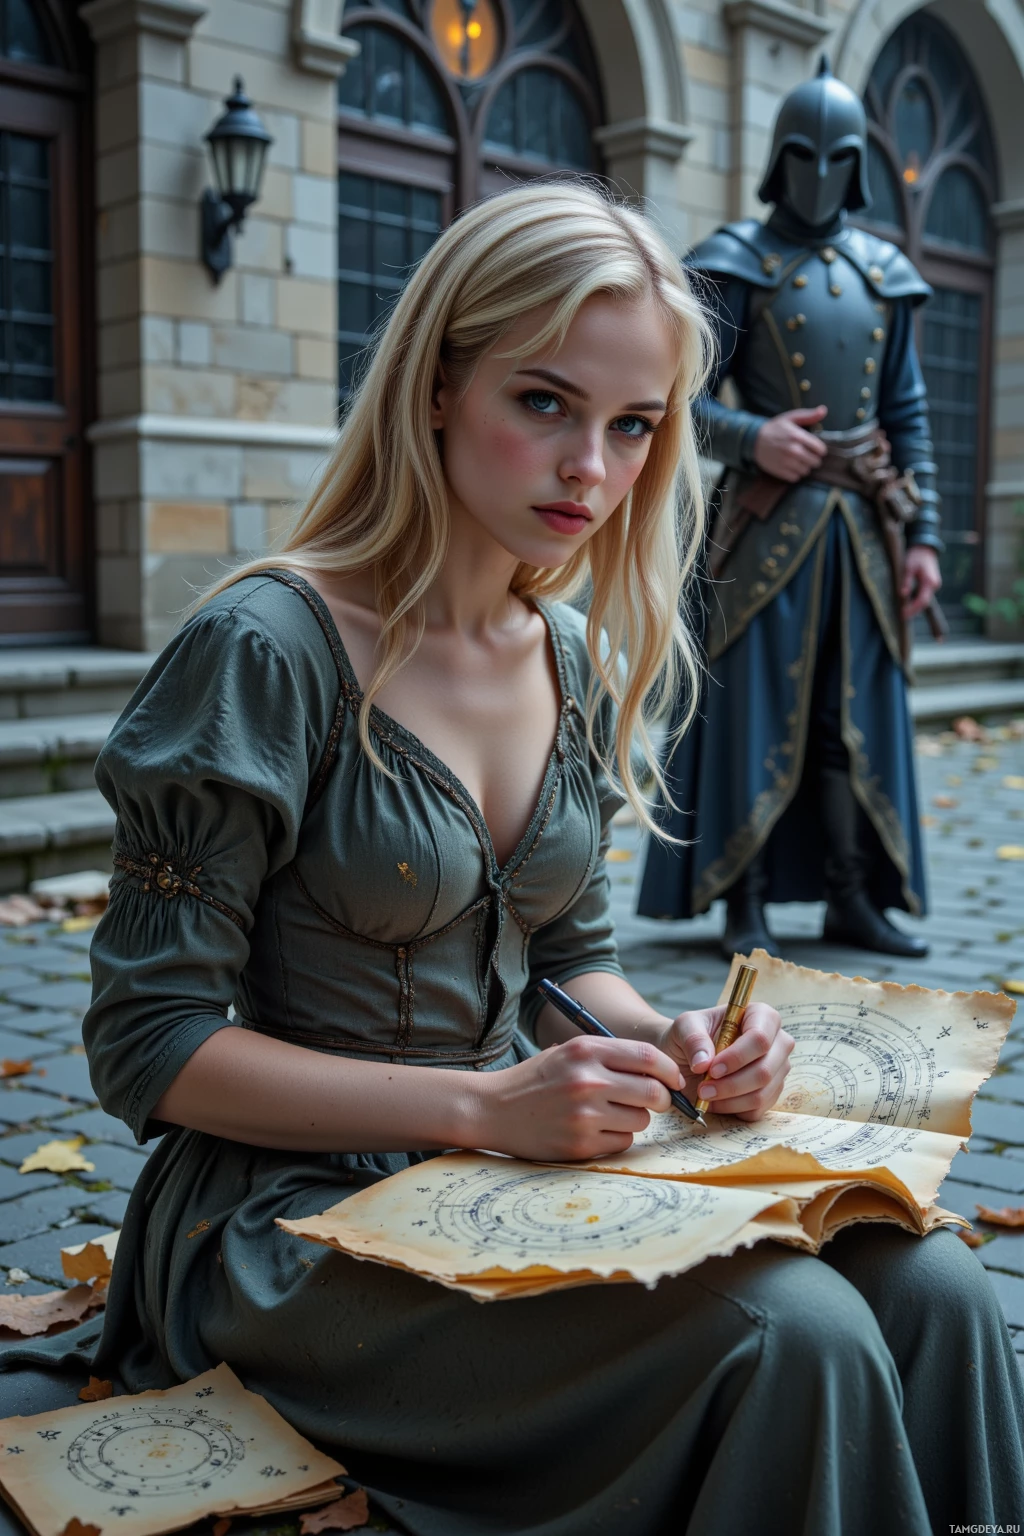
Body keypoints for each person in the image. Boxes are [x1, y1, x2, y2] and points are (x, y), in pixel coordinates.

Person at [5, 183, 1022, 1536]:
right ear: (436, 385)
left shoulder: (574, 656)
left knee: (939, 1289)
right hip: (281, 1225)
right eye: (542, 402)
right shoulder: (266, 650)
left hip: (503, 1183)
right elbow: (151, 1049)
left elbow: (572, 960)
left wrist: (675, 1042)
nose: (590, 470)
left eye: (634, 425)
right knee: (795, 1334)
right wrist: (483, 1110)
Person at [639, 60, 943, 962]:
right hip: (764, 528)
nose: (818, 174)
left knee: (845, 720)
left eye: (836, 157)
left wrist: (923, 534)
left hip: (863, 535)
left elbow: (909, 415)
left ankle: (851, 896)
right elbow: (676, 394)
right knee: (754, 713)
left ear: (857, 165)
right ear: (780, 157)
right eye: (803, 155)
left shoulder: (884, 272)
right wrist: (753, 437)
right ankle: (747, 901)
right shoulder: (736, 260)